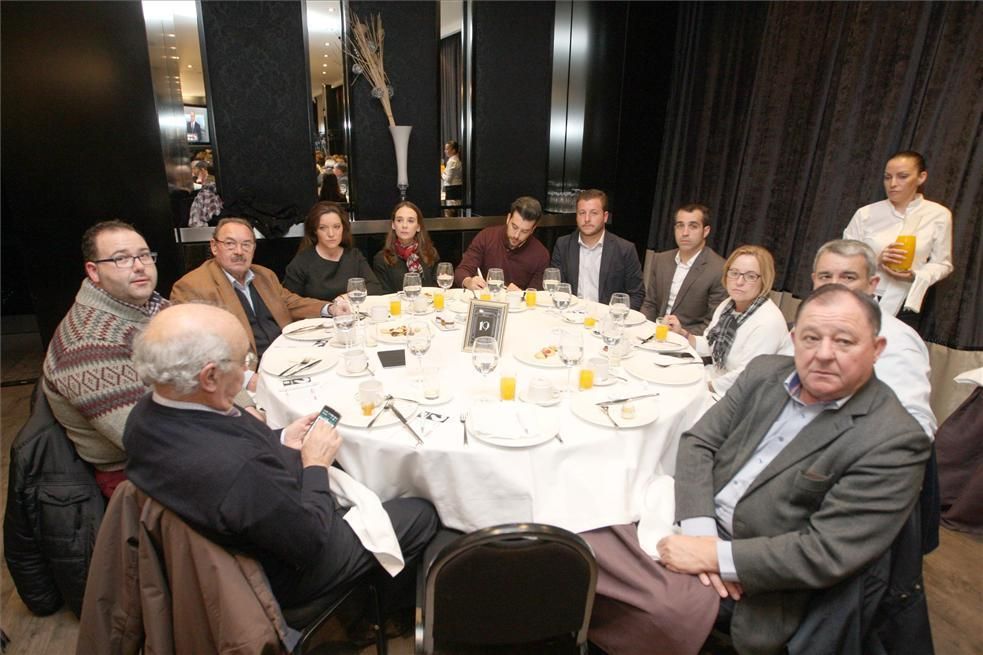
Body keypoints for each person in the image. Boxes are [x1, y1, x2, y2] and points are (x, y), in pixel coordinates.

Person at [582, 285, 931, 655]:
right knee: (580, 524)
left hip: (761, 583)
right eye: (811, 338)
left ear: (876, 349)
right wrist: (701, 534)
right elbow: (698, 443)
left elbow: (825, 552)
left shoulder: (893, 439)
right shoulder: (766, 374)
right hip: (691, 520)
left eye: (844, 342)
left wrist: (715, 557)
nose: (824, 354)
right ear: (794, 340)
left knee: (640, 596)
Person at [124, 303, 439, 612]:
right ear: (209, 377)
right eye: (244, 360)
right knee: (420, 512)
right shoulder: (237, 469)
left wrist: (281, 438)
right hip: (280, 575)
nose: (249, 369)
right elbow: (311, 541)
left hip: (238, 534)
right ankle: (376, 612)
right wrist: (315, 465)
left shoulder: (145, 417)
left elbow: (240, 459)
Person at [41, 220, 169, 498]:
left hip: (189, 432)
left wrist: (249, 410)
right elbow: (151, 440)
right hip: (139, 475)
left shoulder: (150, 306)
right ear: (93, 271)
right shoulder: (87, 344)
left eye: (144, 255)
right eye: (121, 258)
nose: (138, 266)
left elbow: (213, 359)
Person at [811, 239, 936, 437]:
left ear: (872, 284)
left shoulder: (896, 340)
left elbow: (915, 429)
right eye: (825, 276)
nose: (834, 286)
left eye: (848, 277)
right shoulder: (804, 329)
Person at [171, 217, 337, 358]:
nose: (239, 251)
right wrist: (246, 379)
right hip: (245, 372)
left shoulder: (264, 275)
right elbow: (196, 349)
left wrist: (330, 309)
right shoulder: (191, 286)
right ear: (214, 247)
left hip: (289, 356)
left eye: (246, 244)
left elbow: (289, 302)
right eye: (230, 244)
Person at [843, 150, 953, 322]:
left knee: (893, 348)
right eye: (887, 177)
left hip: (907, 302)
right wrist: (875, 259)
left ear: (921, 177)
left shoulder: (938, 215)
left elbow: (942, 263)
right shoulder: (866, 213)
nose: (893, 183)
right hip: (862, 297)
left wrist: (916, 275)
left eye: (902, 176)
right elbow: (843, 257)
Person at [666, 245, 792, 395]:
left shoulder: (768, 321)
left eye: (750, 276)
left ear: (764, 280)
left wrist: (702, 387)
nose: (739, 281)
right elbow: (710, 344)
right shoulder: (727, 305)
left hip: (738, 393)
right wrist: (683, 334)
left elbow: (746, 376)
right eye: (734, 273)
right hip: (714, 376)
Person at [640, 203, 727, 335]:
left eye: (693, 226)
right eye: (680, 226)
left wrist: (681, 334)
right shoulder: (661, 260)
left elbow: (713, 323)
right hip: (654, 333)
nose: (685, 233)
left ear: (706, 231)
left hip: (688, 342)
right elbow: (650, 303)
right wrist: (643, 332)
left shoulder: (719, 269)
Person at [549, 189, 644, 308]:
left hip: (607, 319)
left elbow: (637, 294)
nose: (587, 219)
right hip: (570, 315)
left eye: (594, 213)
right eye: (582, 213)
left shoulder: (625, 249)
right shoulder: (563, 245)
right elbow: (557, 288)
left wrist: (616, 318)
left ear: (605, 217)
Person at [283, 202, 383, 302]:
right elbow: (289, 301)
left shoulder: (354, 256)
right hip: (317, 316)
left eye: (336, 227)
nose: (331, 234)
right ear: (314, 230)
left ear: (343, 228)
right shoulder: (302, 262)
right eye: (323, 228)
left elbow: (375, 288)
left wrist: (344, 298)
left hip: (351, 314)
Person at [453, 196, 550, 291]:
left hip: (518, 306)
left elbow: (536, 296)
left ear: (533, 229)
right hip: (486, 301)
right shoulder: (487, 236)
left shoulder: (541, 255)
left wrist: (521, 296)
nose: (516, 235)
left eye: (524, 231)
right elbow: (461, 271)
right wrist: (468, 281)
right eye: (514, 227)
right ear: (508, 219)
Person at [372, 201, 440, 294]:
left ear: (418, 227)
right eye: (399, 220)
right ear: (393, 225)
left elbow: (437, 290)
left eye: (410, 221)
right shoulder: (381, 259)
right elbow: (384, 296)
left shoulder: (430, 253)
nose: (404, 226)